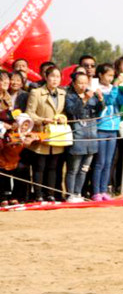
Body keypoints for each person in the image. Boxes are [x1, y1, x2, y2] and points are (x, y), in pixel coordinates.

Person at [92, 63, 123, 200]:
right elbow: (109, 101)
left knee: (108, 162)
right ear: (100, 75)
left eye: (112, 76)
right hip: (101, 128)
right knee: (99, 162)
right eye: (108, 75)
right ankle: (96, 191)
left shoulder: (113, 88)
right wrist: (116, 86)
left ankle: (104, 190)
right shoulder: (96, 88)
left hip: (113, 129)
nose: (111, 78)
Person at [25, 65, 67, 201]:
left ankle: (50, 193)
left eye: (58, 77)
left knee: (53, 166)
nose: (55, 80)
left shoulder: (62, 93)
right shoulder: (36, 92)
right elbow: (29, 113)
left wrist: (62, 118)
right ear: (46, 77)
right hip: (41, 133)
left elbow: (64, 112)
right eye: (52, 76)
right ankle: (38, 194)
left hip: (56, 134)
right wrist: (42, 120)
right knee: (39, 166)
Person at [63, 72, 103, 202]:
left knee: (84, 169)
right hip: (78, 135)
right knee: (73, 168)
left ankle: (78, 193)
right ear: (74, 83)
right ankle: (70, 194)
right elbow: (72, 111)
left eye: (85, 82)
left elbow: (99, 111)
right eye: (80, 82)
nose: (83, 85)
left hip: (91, 135)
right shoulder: (70, 96)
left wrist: (101, 99)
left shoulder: (92, 95)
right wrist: (84, 99)